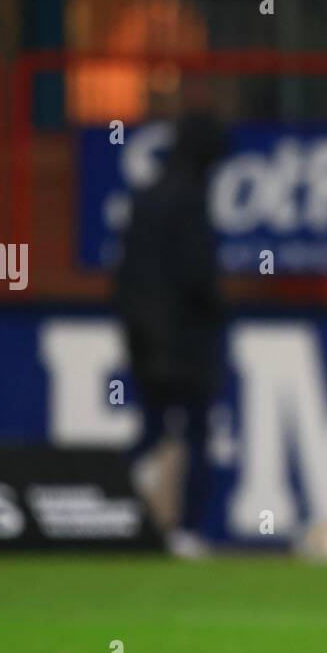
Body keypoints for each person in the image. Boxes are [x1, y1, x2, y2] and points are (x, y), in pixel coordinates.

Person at [114, 112, 228, 558]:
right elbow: (197, 278)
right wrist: (220, 310)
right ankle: (185, 530)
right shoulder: (190, 200)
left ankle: (120, 517)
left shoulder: (145, 198)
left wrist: (138, 336)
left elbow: (123, 279)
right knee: (197, 435)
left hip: (146, 341)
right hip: (188, 344)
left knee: (152, 432)